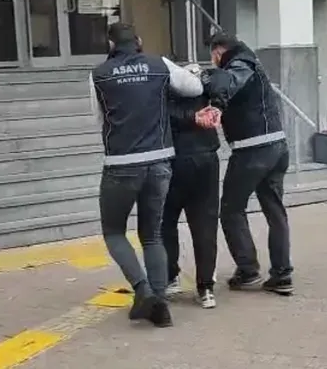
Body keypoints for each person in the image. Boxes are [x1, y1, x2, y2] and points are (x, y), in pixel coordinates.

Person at [89, 23, 203, 327]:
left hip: (121, 163)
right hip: (160, 160)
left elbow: (97, 117)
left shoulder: (99, 74)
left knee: (114, 232)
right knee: (152, 234)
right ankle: (160, 304)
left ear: (110, 44)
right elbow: (195, 88)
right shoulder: (159, 64)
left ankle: (143, 291)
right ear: (138, 41)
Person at [199, 32, 294, 296]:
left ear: (218, 52)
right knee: (275, 211)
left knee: (231, 210)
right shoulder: (252, 62)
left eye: (212, 56)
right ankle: (282, 275)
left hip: (252, 150)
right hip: (277, 146)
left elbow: (229, 82)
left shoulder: (240, 64)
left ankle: (248, 271)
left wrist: (208, 84)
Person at [161, 63, 221, 309]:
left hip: (173, 163)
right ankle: (206, 288)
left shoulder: (164, 94)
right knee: (205, 224)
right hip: (206, 160)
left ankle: (170, 277)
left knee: (166, 222)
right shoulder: (206, 90)